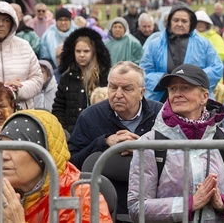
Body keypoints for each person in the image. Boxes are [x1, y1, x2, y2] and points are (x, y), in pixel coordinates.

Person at [127, 64, 224, 222]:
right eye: (173, 89)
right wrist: (188, 204)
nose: (177, 94)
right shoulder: (150, 143)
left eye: (185, 88)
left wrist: (222, 203)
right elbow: (136, 207)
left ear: (204, 97)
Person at [0, 110, 112, 222]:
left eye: (15, 148)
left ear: (44, 154)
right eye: (0, 147)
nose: (3, 156)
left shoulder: (79, 201)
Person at [68, 61, 162, 215]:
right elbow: (72, 163)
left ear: (141, 93)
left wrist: (143, 147)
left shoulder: (161, 115)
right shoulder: (90, 116)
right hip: (105, 209)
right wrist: (104, 142)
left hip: (152, 206)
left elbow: (177, 159)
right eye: (113, 87)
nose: (118, 94)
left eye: (126, 89)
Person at [140, 2, 223, 102]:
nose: (179, 24)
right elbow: (143, 72)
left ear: (191, 23)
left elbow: (217, 68)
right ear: (169, 22)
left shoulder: (204, 44)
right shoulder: (154, 45)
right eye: (176, 20)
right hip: (161, 101)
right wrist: (165, 79)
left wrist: (192, 79)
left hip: (195, 102)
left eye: (184, 21)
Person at [52, 28, 111, 133]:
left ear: (93, 52)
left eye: (86, 51)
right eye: (78, 51)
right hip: (70, 134)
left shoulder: (103, 76)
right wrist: (63, 131)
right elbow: (58, 107)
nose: (81, 55)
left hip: (96, 133)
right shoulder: (66, 77)